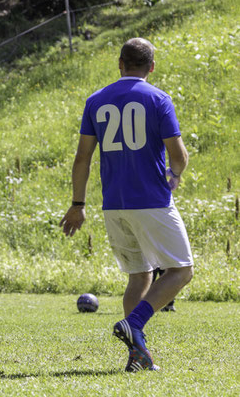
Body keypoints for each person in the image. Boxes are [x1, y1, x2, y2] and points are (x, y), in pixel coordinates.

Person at [59, 37, 193, 372]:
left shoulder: (96, 101)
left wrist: (78, 203)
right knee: (181, 270)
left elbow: (82, 159)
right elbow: (178, 156)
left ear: (119, 63)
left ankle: (138, 354)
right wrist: (174, 175)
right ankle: (135, 323)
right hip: (150, 201)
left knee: (138, 275)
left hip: (113, 205)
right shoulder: (159, 99)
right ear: (152, 66)